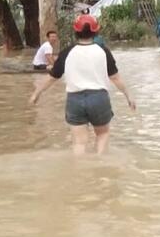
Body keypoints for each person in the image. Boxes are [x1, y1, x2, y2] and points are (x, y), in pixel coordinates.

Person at [28, 13, 136, 155]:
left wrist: (37, 93)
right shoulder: (103, 51)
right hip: (99, 98)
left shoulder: (67, 52)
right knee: (102, 134)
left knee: (79, 142)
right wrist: (129, 96)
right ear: (96, 31)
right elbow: (115, 78)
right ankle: (99, 168)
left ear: (75, 31)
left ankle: (80, 173)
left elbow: (52, 77)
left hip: (75, 100)